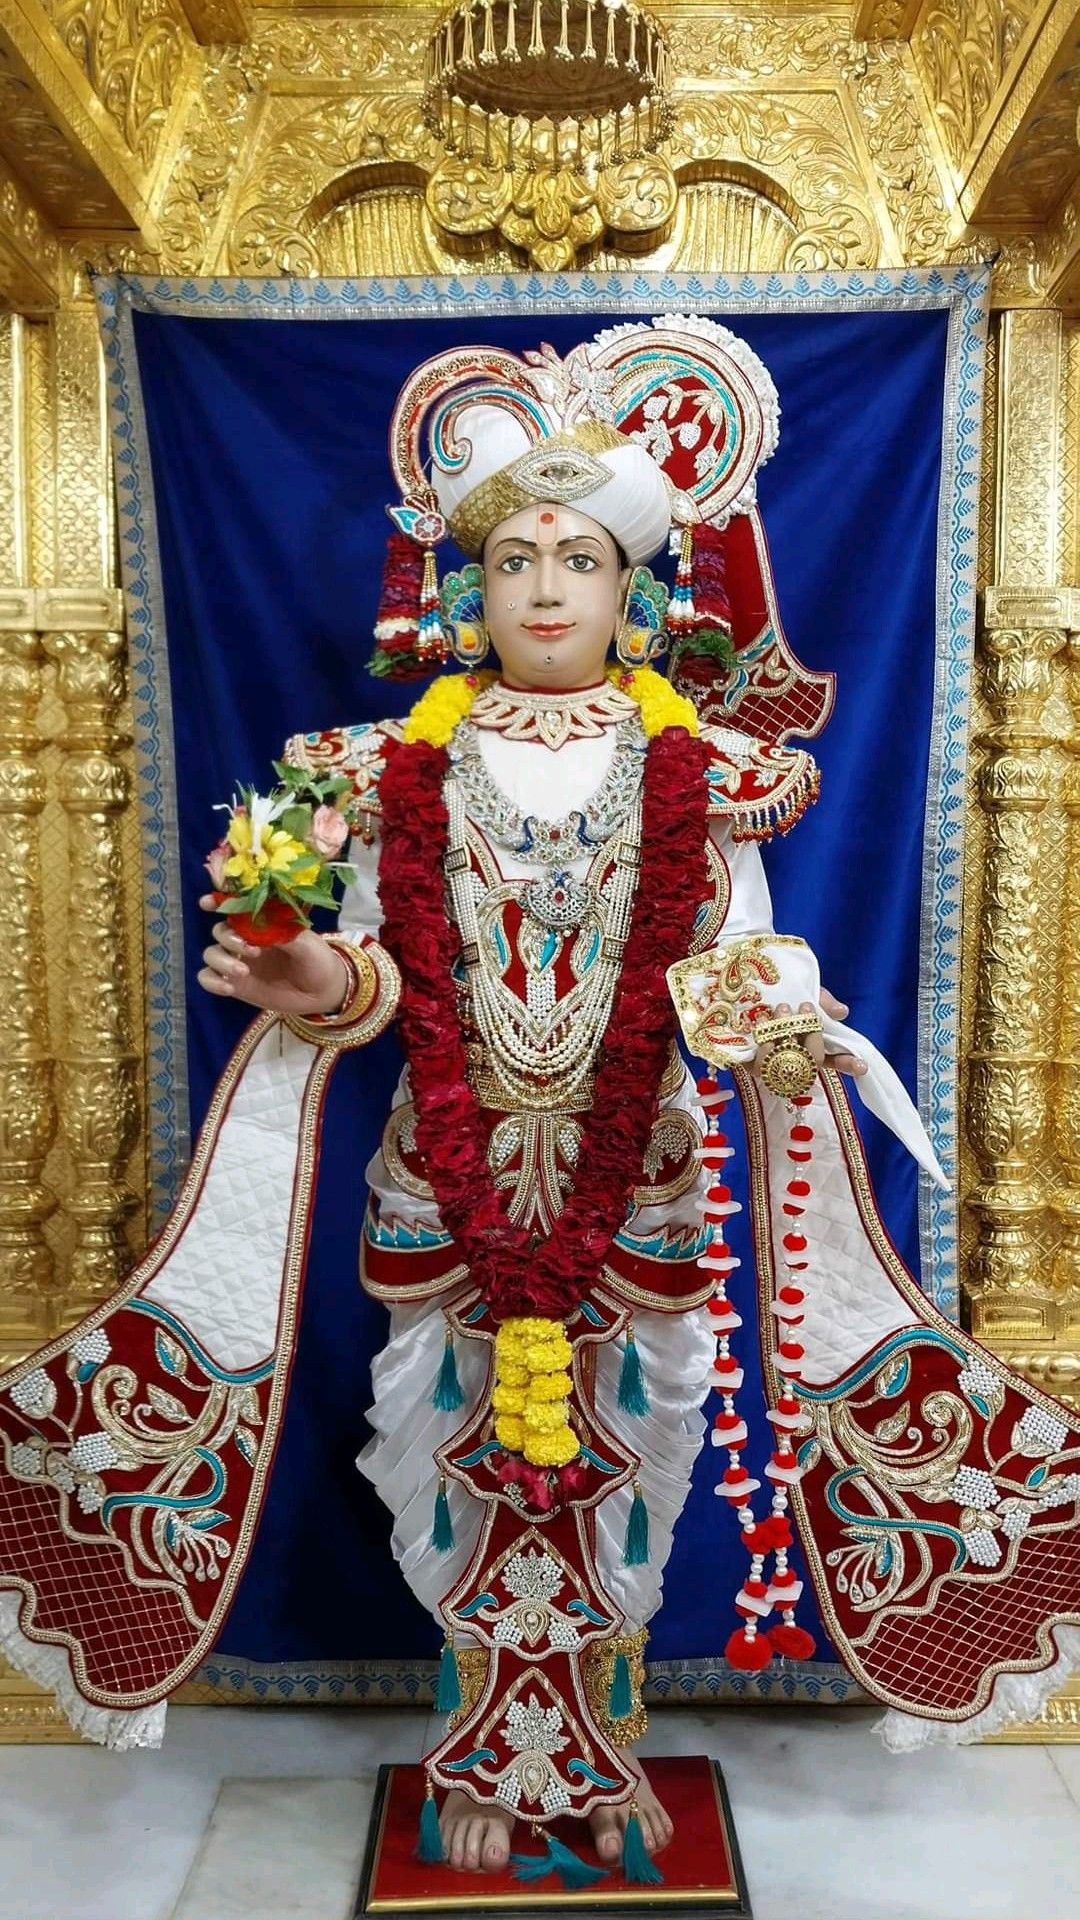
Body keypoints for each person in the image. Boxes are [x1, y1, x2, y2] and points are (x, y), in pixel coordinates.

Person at [1, 315, 1077, 1891]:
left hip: (637, 1181)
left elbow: (730, 965)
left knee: (626, 1464)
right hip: (441, 1185)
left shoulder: (702, 769)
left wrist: (784, 1021)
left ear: (633, 594)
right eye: (515, 560)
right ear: (470, 590)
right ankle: (479, 1752)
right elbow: (378, 973)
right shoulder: (388, 768)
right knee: (442, 1463)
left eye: (580, 557)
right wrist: (321, 986)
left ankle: (598, 1749)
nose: (549, 586)